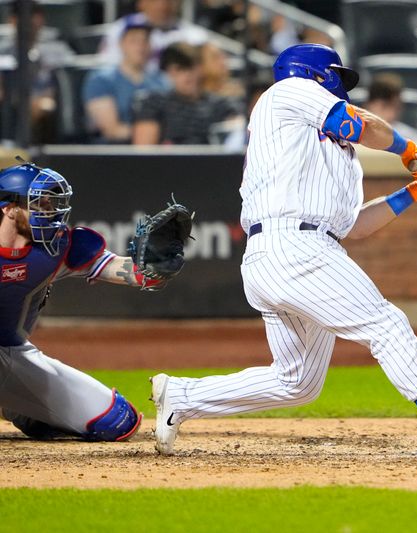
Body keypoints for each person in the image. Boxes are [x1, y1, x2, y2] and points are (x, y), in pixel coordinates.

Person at [149, 43, 417, 462]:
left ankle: (182, 395)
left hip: (289, 252)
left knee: (298, 382)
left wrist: (415, 192)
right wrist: (409, 151)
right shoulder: (288, 91)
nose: (342, 88)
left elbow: (353, 227)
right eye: (338, 79)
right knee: (387, 324)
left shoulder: (325, 150)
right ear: (318, 75)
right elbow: (359, 124)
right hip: (292, 248)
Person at [0, 160, 166, 442]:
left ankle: (19, 407)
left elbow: (127, 271)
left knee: (117, 421)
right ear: (9, 208)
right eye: (39, 204)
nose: (50, 213)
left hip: (11, 352)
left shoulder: (55, 248)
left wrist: (156, 267)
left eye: (51, 205)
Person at [132, 42, 242, 145]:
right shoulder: (154, 103)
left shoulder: (221, 105)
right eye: (179, 69)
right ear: (169, 72)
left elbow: (238, 139)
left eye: (190, 67)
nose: (187, 75)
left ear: (200, 67)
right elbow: (143, 154)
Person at [0, 1, 75, 144]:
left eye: (35, 15)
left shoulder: (58, 50)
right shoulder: (2, 51)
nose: (31, 21)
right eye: (23, 16)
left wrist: (40, 101)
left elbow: (65, 85)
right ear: (12, 20)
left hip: (48, 109)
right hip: (9, 107)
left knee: (46, 106)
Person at [82, 21, 168, 143]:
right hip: (113, 152)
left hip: (157, 150)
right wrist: (150, 134)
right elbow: (112, 130)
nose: (140, 46)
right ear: (121, 44)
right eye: (134, 41)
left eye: (145, 41)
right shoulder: (102, 79)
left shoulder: (162, 81)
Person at [99, 0, 207, 70]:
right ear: (141, 3)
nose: (162, 6)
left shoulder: (195, 37)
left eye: (169, 1)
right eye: (155, 1)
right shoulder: (121, 29)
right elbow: (107, 67)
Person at [363, 73, 417, 141]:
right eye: (384, 106)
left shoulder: (412, 137)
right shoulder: (353, 133)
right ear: (368, 104)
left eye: (395, 107)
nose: (390, 113)